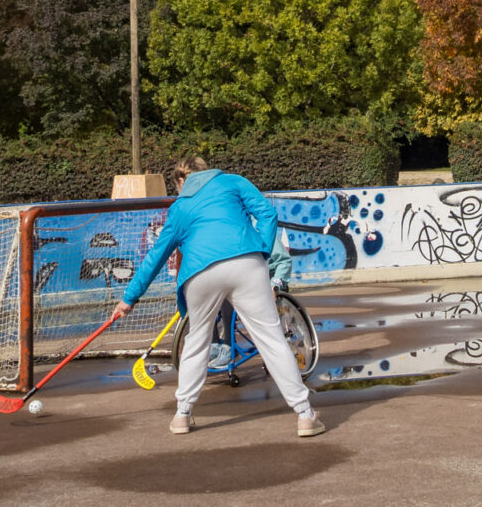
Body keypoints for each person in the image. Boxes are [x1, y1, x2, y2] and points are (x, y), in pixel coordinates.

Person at [114, 156, 324, 438]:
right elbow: (267, 214)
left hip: (200, 272)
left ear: (181, 181)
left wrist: (129, 298)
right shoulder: (233, 182)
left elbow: (156, 256)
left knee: (197, 341)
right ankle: (305, 415)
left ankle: (182, 415)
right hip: (247, 263)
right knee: (272, 339)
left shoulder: (179, 208)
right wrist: (261, 249)